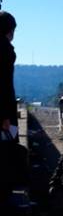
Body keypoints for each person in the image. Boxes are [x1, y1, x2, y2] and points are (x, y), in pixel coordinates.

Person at [0, 12, 16, 140]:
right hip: (3, 114)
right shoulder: (6, 50)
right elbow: (4, 83)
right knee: (8, 145)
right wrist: (5, 116)